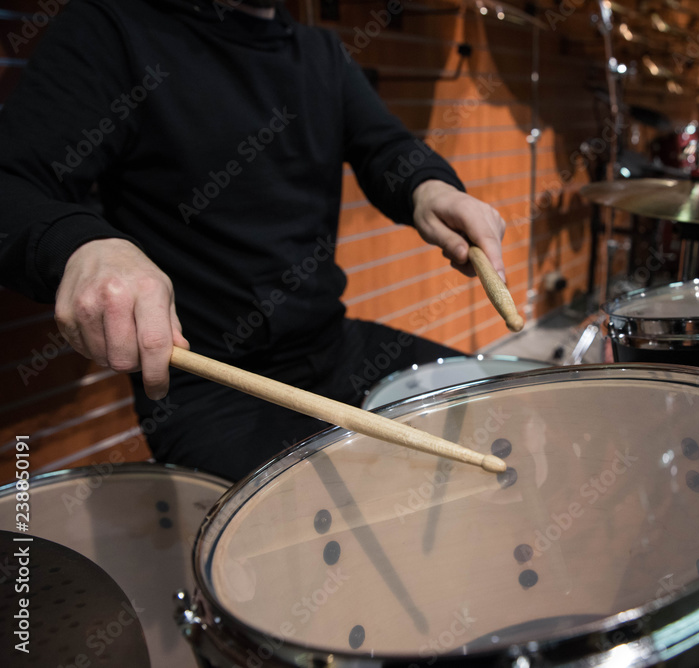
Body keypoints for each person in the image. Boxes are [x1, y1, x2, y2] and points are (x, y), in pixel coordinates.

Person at [0, 0, 508, 480]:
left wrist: (429, 189)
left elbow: (385, 146)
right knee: (345, 537)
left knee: (507, 415)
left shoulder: (318, 51)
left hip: (335, 346)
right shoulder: (113, 27)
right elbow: (12, 182)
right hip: (214, 388)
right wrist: (84, 245)